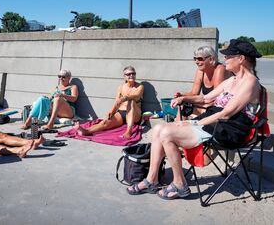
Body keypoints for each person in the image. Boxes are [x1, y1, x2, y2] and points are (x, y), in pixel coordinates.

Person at [126, 40, 262, 199]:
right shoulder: (231, 80)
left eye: (229, 56)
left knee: (167, 134)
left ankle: (180, 185)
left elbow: (226, 113)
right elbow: (205, 99)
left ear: (241, 59)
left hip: (228, 129)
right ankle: (152, 179)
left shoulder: (250, 82)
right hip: (214, 122)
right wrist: (184, 99)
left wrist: (195, 122)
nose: (225, 59)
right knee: (158, 129)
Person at [74, 66, 144, 139]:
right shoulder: (121, 87)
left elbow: (137, 95)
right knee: (105, 122)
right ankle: (86, 131)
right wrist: (111, 112)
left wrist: (125, 98)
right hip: (122, 113)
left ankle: (129, 131)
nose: (131, 75)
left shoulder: (140, 86)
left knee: (131, 101)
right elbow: (117, 102)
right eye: (128, 74)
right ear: (124, 77)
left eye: (133, 73)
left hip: (135, 114)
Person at [174, 46, 230, 117]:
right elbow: (194, 93)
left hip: (223, 107)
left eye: (200, 59)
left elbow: (216, 97)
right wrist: (181, 96)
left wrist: (185, 98)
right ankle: (178, 126)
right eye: (195, 59)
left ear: (211, 59)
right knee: (183, 107)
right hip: (208, 104)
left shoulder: (220, 69)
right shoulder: (201, 71)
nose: (196, 62)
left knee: (192, 106)